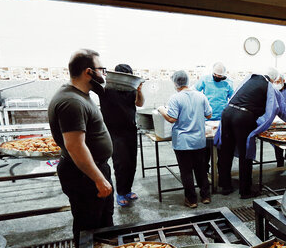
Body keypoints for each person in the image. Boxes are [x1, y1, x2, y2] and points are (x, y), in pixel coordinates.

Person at [48, 49, 113, 248]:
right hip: (84, 176)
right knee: (89, 227)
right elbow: (75, 146)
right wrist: (98, 179)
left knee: (103, 225)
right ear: (88, 72)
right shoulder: (72, 102)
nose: (103, 74)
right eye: (101, 69)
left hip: (92, 171)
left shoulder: (80, 95)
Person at [215, 67, 286, 198]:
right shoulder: (270, 87)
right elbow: (282, 111)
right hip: (243, 118)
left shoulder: (249, 79)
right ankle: (245, 191)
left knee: (226, 151)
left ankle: (225, 186)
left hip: (227, 113)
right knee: (245, 154)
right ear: (274, 79)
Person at [157, 70, 212, 208]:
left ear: (175, 83)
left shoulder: (175, 98)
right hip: (199, 141)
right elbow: (209, 115)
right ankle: (205, 196)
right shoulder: (201, 96)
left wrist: (161, 110)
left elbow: (171, 118)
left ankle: (191, 200)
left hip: (183, 143)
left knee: (186, 171)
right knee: (201, 169)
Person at [99, 64, 144, 207]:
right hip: (114, 133)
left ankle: (128, 190)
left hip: (130, 130)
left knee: (132, 163)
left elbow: (140, 103)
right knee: (121, 163)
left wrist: (138, 90)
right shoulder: (106, 91)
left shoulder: (131, 91)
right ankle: (120, 192)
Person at [195, 62, 235, 174]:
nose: (217, 77)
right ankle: (204, 172)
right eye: (215, 75)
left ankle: (221, 173)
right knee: (206, 149)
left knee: (222, 149)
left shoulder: (228, 83)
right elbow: (194, 92)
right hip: (207, 118)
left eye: (220, 76)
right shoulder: (205, 80)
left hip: (222, 119)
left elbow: (233, 98)